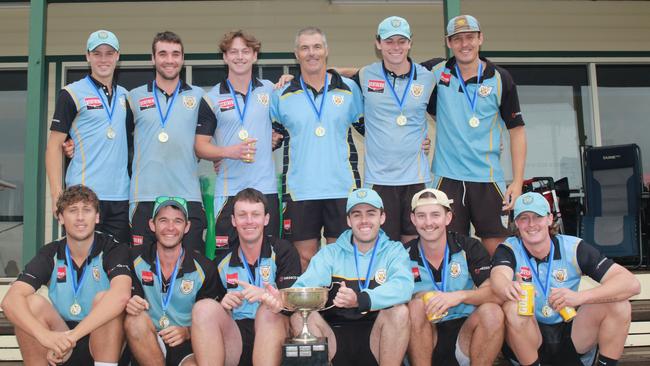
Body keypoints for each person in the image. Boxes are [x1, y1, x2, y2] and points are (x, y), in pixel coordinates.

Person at [491, 192, 641, 366]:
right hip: (531, 336)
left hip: (571, 331)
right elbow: (498, 276)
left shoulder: (573, 247)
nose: (531, 224)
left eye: (537, 216)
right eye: (524, 218)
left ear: (549, 219)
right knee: (512, 307)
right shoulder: (509, 248)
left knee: (619, 305)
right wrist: (506, 287)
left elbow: (631, 284)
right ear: (516, 223)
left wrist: (579, 297)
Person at [422, 15, 527, 255]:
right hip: (447, 178)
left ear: (481, 38)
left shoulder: (500, 78)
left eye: (470, 37)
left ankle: (497, 293)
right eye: (457, 39)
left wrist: (518, 181)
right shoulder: (435, 72)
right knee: (450, 252)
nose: (464, 44)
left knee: (498, 252)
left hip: (487, 178)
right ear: (448, 42)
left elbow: (517, 131)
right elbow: (395, 75)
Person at [1, 185, 132, 365]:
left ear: (97, 217)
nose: (80, 218)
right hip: (60, 339)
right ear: (61, 218)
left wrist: (73, 336)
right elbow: (10, 301)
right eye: (72, 211)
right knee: (31, 304)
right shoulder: (50, 252)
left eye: (86, 210)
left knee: (106, 300)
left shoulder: (113, 248)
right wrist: (46, 336)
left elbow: (121, 295)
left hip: (101, 341)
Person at [270, 27, 364, 270]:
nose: (311, 53)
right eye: (305, 48)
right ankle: (309, 309)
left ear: (326, 50)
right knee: (304, 259)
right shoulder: (281, 94)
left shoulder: (350, 89)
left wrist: (417, 141)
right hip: (300, 189)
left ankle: (340, 309)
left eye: (316, 47)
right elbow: (272, 136)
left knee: (342, 259)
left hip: (342, 187)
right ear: (296, 54)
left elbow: (372, 130)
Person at [291, 188, 413, 365]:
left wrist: (360, 299)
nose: (364, 221)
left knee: (399, 312)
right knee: (300, 317)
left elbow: (404, 288)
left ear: (382, 217)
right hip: (334, 338)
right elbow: (303, 287)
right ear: (349, 220)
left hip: (377, 339)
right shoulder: (330, 253)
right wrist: (278, 300)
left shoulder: (394, 251)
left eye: (371, 214)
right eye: (357, 215)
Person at [190, 188, 301, 366]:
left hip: (275, 331)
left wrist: (268, 296)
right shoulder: (220, 262)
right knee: (203, 308)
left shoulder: (283, 251)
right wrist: (223, 305)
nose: (249, 221)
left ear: (266, 219)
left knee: (267, 311)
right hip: (236, 336)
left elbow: (295, 303)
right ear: (233, 220)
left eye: (255, 214)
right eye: (242, 215)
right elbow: (214, 307)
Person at [351, 16, 436, 243]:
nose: (395, 47)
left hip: (415, 178)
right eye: (389, 41)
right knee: (383, 244)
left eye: (401, 41)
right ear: (378, 44)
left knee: (415, 243)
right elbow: (331, 76)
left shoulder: (428, 77)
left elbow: (450, 112)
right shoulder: (365, 75)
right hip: (379, 179)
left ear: (410, 43)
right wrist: (295, 75)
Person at [195, 30, 280, 249]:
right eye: (233, 52)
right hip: (229, 191)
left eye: (245, 51)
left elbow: (292, 122)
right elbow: (200, 147)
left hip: (265, 189)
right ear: (224, 57)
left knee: (268, 257)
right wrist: (228, 152)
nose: (239, 57)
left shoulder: (271, 90)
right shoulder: (211, 98)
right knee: (227, 259)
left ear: (255, 56)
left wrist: (277, 137)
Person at [45, 29, 131, 244]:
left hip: (121, 197)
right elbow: (54, 146)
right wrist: (57, 195)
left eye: (109, 53)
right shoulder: (71, 93)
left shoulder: (126, 97)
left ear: (117, 56)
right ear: (88, 56)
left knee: (117, 265)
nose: (103, 59)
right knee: (82, 262)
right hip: (83, 197)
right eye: (97, 53)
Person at [127, 31, 209, 253]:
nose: (169, 60)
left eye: (175, 54)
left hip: (187, 195)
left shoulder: (201, 97)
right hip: (144, 196)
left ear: (183, 59)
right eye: (163, 54)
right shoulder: (133, 97)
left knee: (192, 267)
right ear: (153, 59)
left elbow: (219, 136)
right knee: (141, 268)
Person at [405, 188, 503, 366]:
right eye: (421, 216)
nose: (428, 222)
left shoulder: (469, 246)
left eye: (435, 215)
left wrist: (458, 296)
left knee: (493, 311)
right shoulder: (402, 254)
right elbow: (391, 301)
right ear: (413, 219)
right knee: (416, 306)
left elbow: (494, 293)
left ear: (448, 217)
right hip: (424, 336)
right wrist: (415, 298)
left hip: (464, 334)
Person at [124, 196, 224, 366]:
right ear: (152, 224)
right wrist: (128, 302)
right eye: (163, 220)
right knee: (134, 320)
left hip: (186, 344)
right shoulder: (134, 258)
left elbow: (214, 321)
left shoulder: (205, 268)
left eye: (178, 221)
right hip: (148, 342)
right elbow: (119, 295)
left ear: (187, 227)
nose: (170, 228)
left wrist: (187, 332)